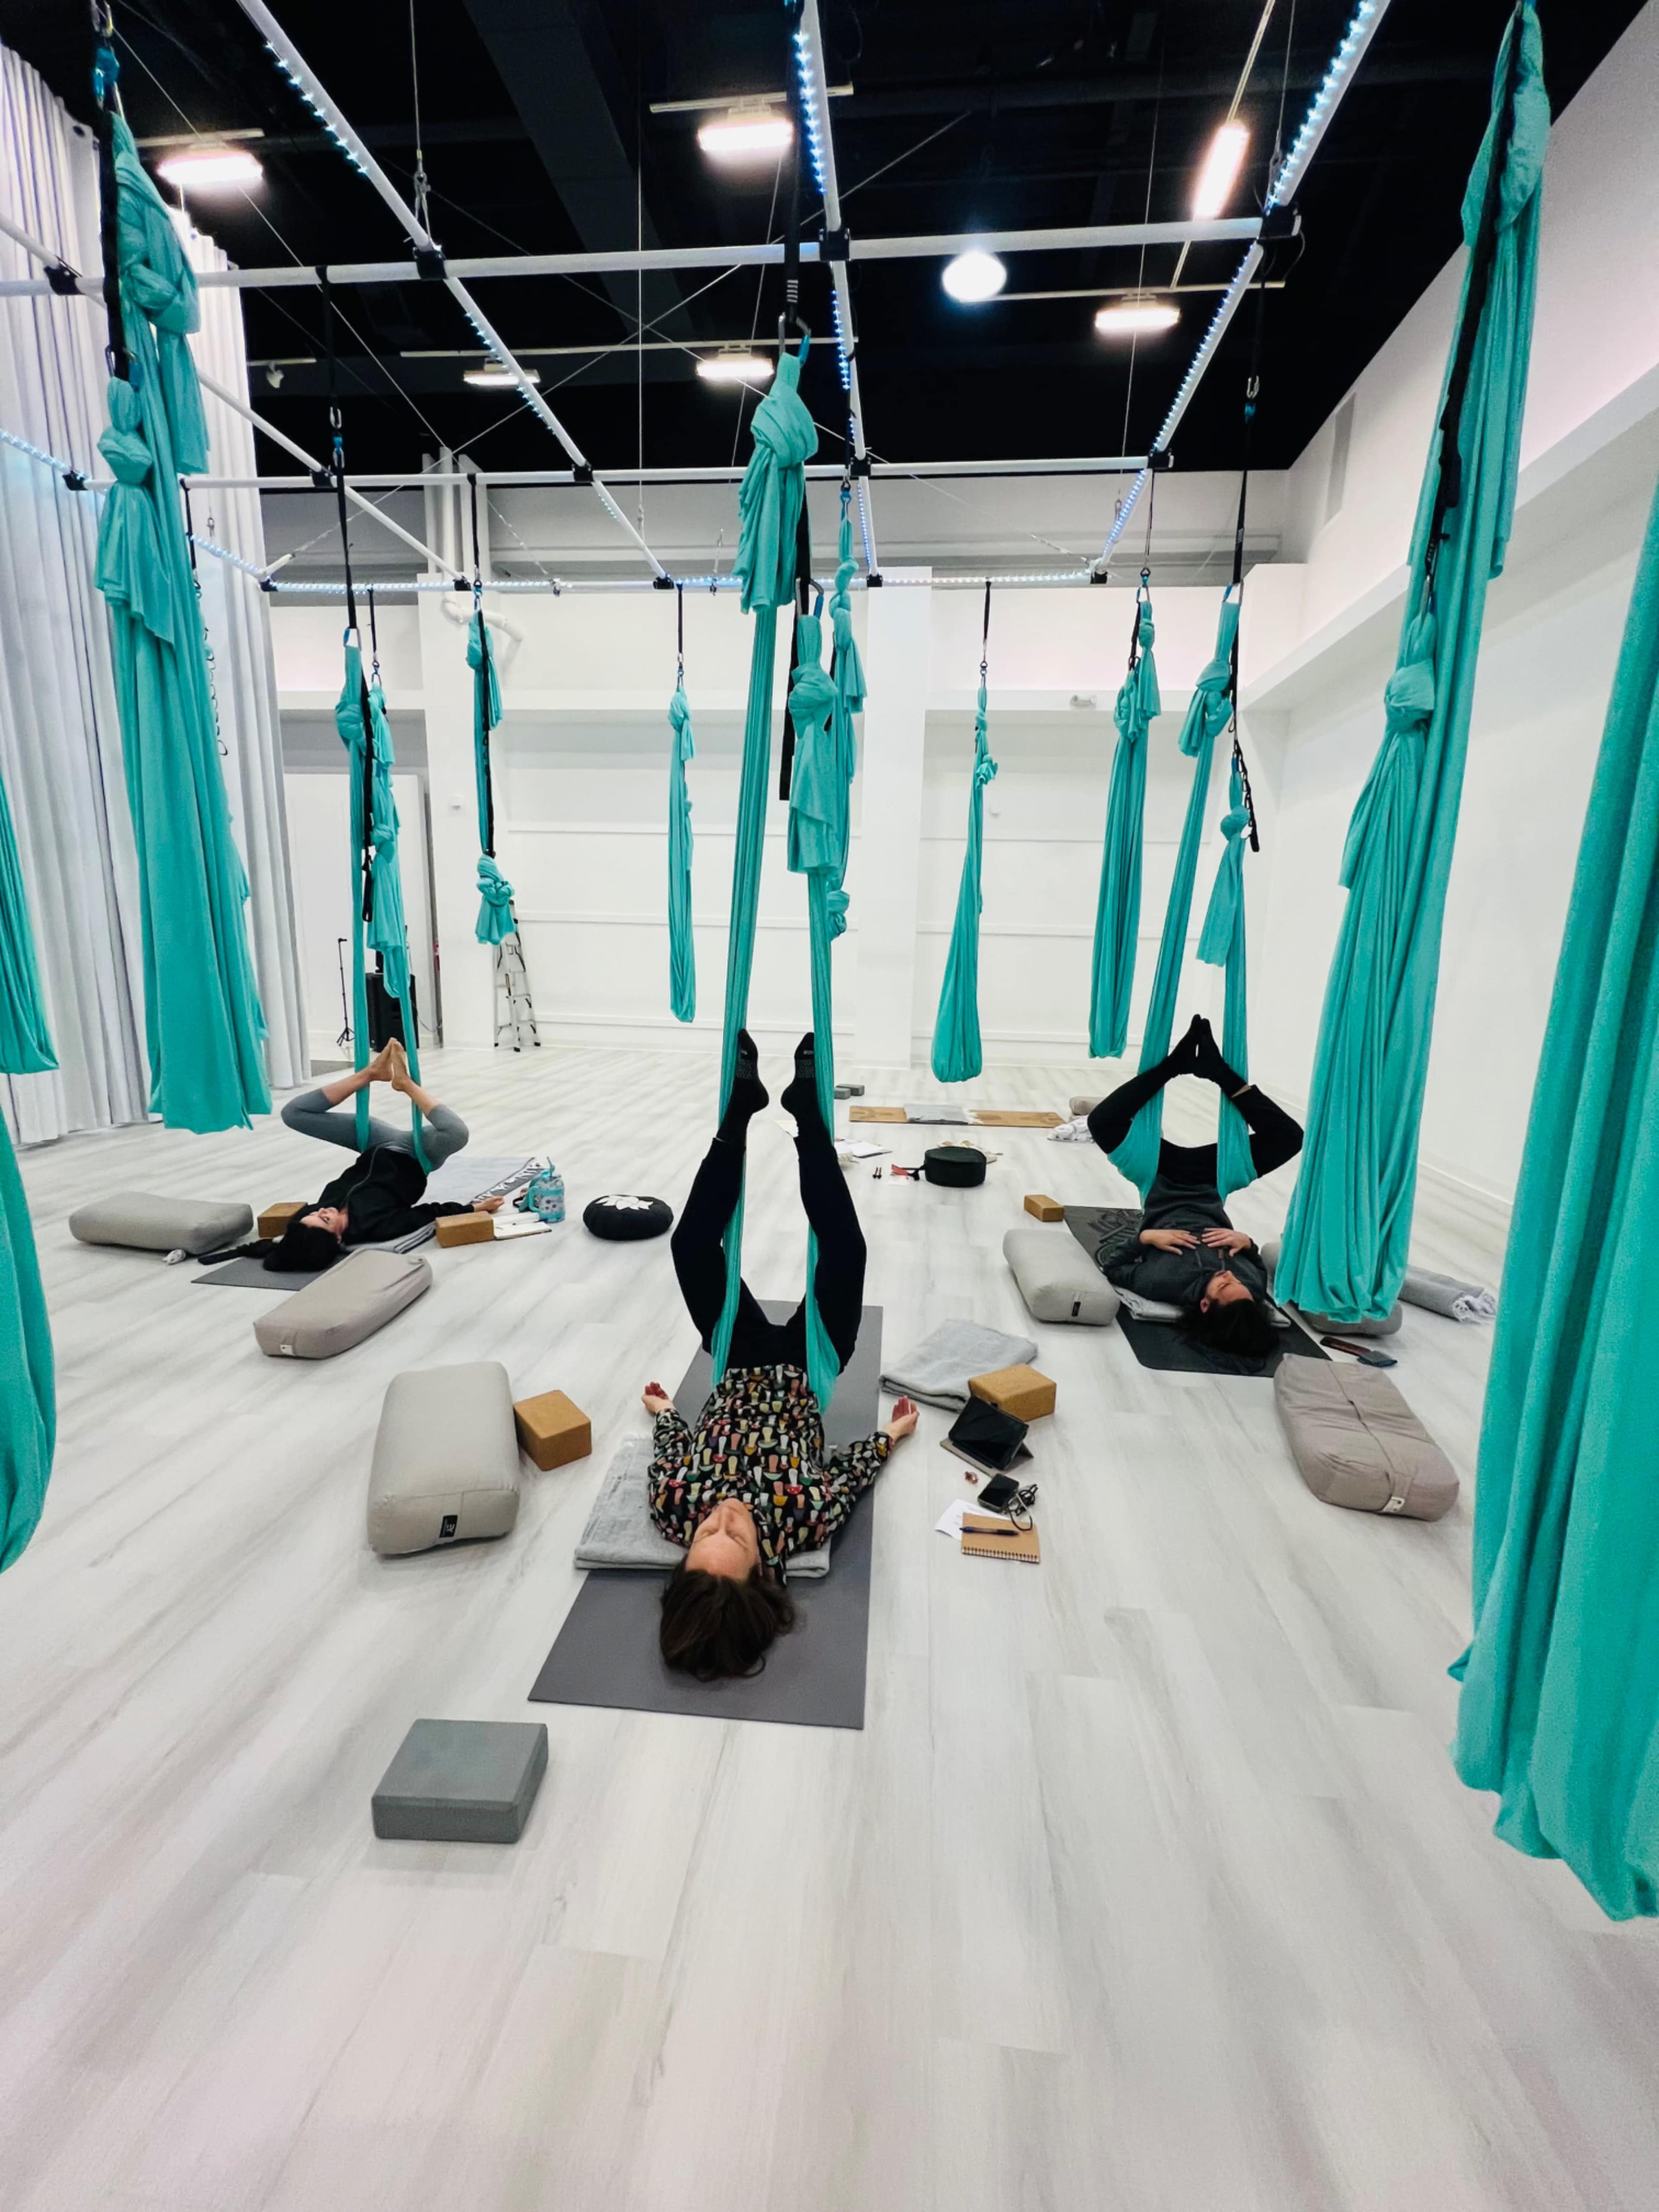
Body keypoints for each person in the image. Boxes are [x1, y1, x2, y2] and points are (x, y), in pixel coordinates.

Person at [643, 1031, 918, 1681]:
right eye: (735, 1538)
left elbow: (672, 1453)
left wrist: (664, 1412)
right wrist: (894, 1434)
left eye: (705, 1536)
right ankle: (807, 1115)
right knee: (846, 1251)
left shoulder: (673, 1508)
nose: (722, 1520)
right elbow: (851, 1473)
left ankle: (740, 1111)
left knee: (690, 1246)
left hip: (736, 1358)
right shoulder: (805, 1519)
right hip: (807, 1364)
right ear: (765, 1570)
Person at [1087, 1014, 1303, 1361]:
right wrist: (1247, 1244)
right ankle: (1219, 1072)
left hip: (1158, 1178)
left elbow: (1113, 1268)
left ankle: (1173, 1067)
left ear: (1205, 1304)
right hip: (1214, 1181)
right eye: (1240, 1286)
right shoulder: (1249, 1291)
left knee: (1101, 1122)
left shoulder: (1161, 1284)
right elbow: (1257, 1268)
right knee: (1290, 1138)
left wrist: (1147, 1238)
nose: (1230, 1277)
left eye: (1225, 1286)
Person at [264, 1038, 497, 1273]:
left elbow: (280, 1246)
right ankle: (406, 1084)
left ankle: (371, 1073)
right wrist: (473, 1208)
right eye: (325, 1219)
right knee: (457, 1134)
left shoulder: (308, 1223)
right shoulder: (378, 1227)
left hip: (374, 1144)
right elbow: (426, 1214)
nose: (323, 1210)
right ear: (337, 1239)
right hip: (415, 1155)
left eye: (315, 1213)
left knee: (294, 1114)